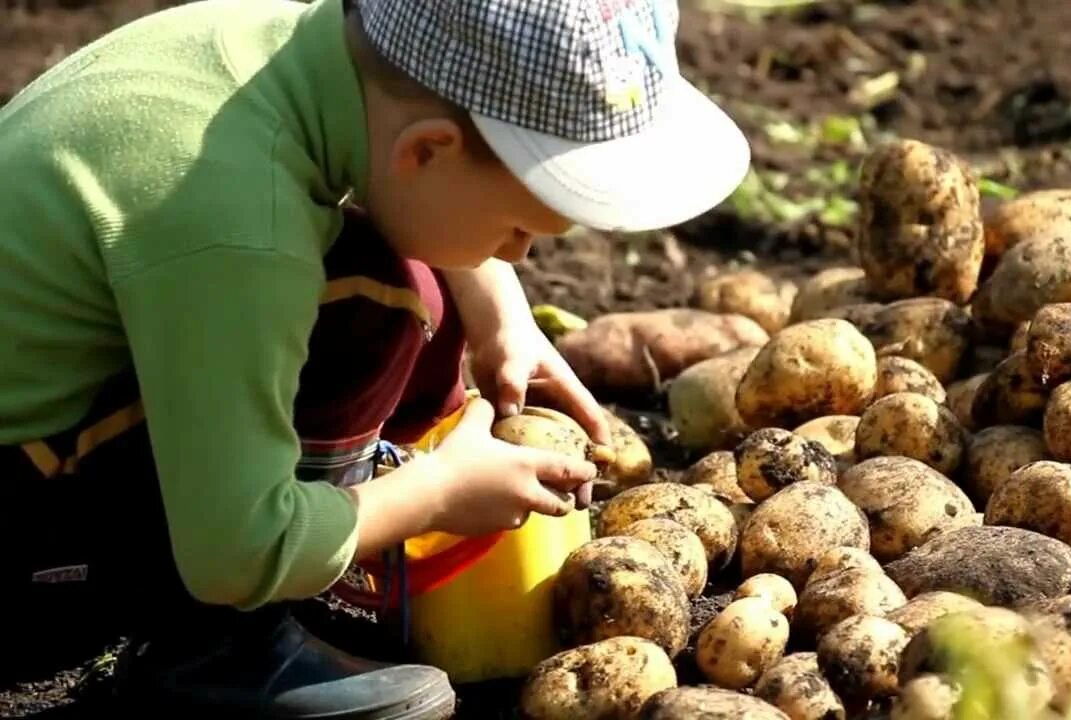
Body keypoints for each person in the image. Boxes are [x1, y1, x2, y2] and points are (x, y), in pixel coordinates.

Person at [0, 0, 749, 717]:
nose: (520, 253)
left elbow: (413, 183)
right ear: (426, 151)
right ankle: (220, 649)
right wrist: (435, 494)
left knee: (403, 274)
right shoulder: (241, 232)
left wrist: (502, 316)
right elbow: (235, 552)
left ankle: (323, 534)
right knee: (377, 298)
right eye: (520, 227)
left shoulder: (271, 55)